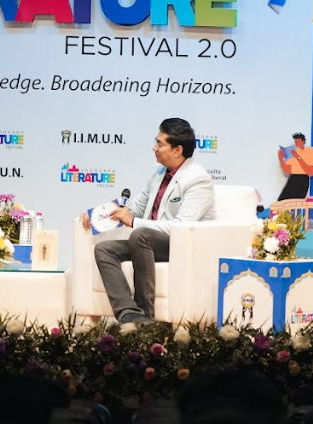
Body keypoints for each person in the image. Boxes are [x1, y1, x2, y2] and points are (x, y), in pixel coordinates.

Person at [82, 117, 216, 325]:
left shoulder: (198, 179)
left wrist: (134, 222)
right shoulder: (160, 173)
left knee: (140, 235)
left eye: (160, 144)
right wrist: (97, 215)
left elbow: (180, 228)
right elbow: (136, 206)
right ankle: (129, 313)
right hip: (147, 243)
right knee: (104, 249)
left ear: (177, 150)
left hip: (183, 246)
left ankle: (146, 315)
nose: (154, 148)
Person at [276, 132, 313, 202]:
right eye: (295, 142)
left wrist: (298, 157)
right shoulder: (292, 152)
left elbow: (311, 172)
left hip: (303, 179)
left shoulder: (310, 150)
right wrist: (281, 159)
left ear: (303, 141)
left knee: (296, 202)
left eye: (298, 141)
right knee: (282, 200)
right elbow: (287, 171)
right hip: (292, 178)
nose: (296, 143)